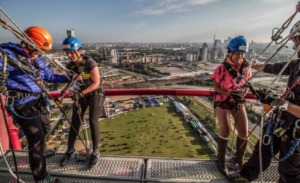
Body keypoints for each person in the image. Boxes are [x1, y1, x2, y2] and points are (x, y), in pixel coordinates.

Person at [228, 19, 300, 183]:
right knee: (263, 149)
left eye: (296, 41)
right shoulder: (296, 65)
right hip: (284, 120)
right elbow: (275, 68)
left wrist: (282, 103)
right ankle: (246, 176)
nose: (294, 47)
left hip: (295, 127)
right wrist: (253, 66)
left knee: (289, 170)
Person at [0, 26, 70, 183]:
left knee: (45, 128)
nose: (40, 53)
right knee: (36, 139)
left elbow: (49, 77)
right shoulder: (7, 56)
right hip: (22, 104)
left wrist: (69, 77)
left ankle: (40, 154)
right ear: (29, 44)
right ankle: (41, 177)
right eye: (38, 49)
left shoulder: (37, 59)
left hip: (38, 101)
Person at [59, 30, 104, 169]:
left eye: (72, 53)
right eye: (67, 53)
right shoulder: (70, 66)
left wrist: (81, 93)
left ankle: (95, 152)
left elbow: (96, 83)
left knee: (93, 120)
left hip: (95, 93)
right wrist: (64, 93)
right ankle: (70, 150)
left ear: (79, 51)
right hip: (81, 94)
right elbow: (70, 82)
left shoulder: (90, 63)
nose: (69, 56)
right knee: (75, 122)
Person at [211, 35, 252, 175]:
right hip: (223, 99)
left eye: (242, 53)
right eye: (237, 53)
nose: (240, 56)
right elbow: (216, 87)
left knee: (244, 131)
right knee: (226, 130)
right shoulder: (221, 68)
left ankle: (238, 159)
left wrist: (242, 94)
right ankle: (220, 161)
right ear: (230, 52)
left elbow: (246, 85)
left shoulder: (246, 68)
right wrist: (228, 94)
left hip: (237, 100)